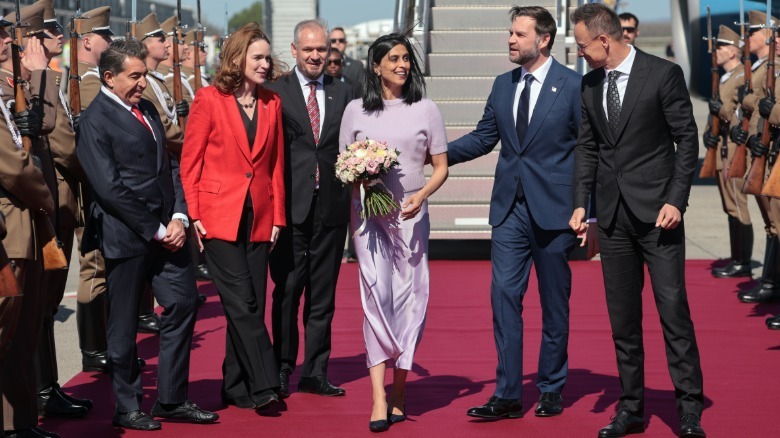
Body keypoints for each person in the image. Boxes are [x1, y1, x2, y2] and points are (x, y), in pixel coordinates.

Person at [569, 4, 706, 437]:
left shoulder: (662, 75)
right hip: (611, 220)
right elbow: (587, 148)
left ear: (605, 41)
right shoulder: (590, 85)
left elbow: (687, 141)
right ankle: (631, 408)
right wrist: (581, 205)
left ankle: (688, 409)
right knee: (623, 320)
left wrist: (676, 200)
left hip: (658, 216)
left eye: (583, 46)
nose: (581, 54)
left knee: (672, 313)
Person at [448, 6, 582, 421]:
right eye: (510, 33)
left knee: (554, 303)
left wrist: (587, 210)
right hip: (509, 209)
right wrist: (434, 153)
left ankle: (552, 388)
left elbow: (587, 152)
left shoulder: (574, 85)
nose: (510, 40)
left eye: (519, 34)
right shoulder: (502, 85)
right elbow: (484, 138)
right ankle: (507, 393)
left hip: (556, 211)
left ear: (543, 40)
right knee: (504, 296)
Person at [76, 39, 218, 431]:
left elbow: (170, 165)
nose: (142, 83)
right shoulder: (94, 120)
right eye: (134, 76)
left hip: (168, 230)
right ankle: (127, 405)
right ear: (109, 77)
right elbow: (109, 189)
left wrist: (179, 215)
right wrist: (157, 229)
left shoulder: (148, 109)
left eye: (144, 75)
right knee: (122, 325)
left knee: (185, 302)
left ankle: (171, 398)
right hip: (128, 236)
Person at [340, 32, 448, 432]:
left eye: (406, 59)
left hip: (411, 217)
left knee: (410, 300)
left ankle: (400, 389)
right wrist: (361, 180)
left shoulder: (426, 109)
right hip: (369, 220)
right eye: (394, 59)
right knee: (375, 298)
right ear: (376, 65)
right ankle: (379, 397)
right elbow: (343, 166)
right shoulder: (355, 111)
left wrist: (421, 194)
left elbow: (441, 166)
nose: (402, 65)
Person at [180, 22, 286, 410]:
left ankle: (235, 385)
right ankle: (264, 385)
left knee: (253, 299)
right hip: (216, 215)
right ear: (238, 58)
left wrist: (277, 217)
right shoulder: (209, 99)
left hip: (260, 216)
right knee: (243, 303)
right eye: (257, 57)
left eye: (266, 57)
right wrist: (193, 213)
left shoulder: (272, 103)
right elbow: (189, 163)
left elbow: (275, 165)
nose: (264, 63)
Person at [267, 19, 353, 399]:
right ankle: (283, 366)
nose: (317, 56)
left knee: (323, 295)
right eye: (309, 50)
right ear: (295, 50)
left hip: (331, 208)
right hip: (288, 209)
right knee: (287, 292)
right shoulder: (274, 93)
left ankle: (316, 371)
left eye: (322, 50)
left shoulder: (345, 91)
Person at [0, 4, 62, 437]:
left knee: (22, 342)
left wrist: (37, 81)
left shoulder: (10, 88)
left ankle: (22, 424)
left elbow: (49, 128)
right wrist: (47, 198)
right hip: (13, 227)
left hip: (31, 225)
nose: (8, 40)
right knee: (5, 336)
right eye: (1, 35)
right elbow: (17, 168)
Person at [33, 0, 94, 419]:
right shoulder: (39, 82)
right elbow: (60, 142)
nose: (58, 40)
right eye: (49, 34)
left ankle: (45, 386)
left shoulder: (53, 79)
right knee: (41, 306)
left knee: (47, 305)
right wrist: (94, 167)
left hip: (62, 202)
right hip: (49, 203)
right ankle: (39, 390)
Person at [68, 5, 121, 373]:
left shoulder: (88, 79)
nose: (111, 41)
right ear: (88, 41)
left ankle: (100, 345)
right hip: (91, 189)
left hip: (96, 185)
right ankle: (92, 349)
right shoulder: (86, 83)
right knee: (95, 266)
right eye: (106, 36)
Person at [733, 11, 780, 306]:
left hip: (767, 149)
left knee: (775, 223)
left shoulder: (770, 69)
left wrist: (748, 101)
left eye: (751, 32)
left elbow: (770, 109)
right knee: (772, 224)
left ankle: (771, 283)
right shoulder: (762, 67)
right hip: (761, 149)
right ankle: (771, 282)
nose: (744, 39)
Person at [702, 26, 753, 280]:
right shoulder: (723, 77)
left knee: (737, 205)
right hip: (721, 148)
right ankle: (737, 257)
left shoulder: (741, 78)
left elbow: (741, 116)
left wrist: (719, 110)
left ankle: (742, 260)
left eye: (721, 47)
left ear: (733, 51)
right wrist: (707, 133)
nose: (716, 52)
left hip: (734, 149)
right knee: (729, 205)